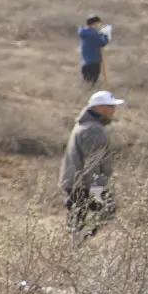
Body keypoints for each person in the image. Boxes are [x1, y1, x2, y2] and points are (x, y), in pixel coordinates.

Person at [60, 91, 123, 238]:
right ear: (99, 107)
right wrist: (97, 190)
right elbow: (93, 163)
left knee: (77, 221)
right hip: (83, 184)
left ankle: (76, 247)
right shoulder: (93, 129)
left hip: (75, 182)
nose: (113, 110)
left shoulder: (85, 124)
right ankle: (79, 246)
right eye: (109, 106)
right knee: (103, 212)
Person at [78, 15, 112, 84]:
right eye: (98, 23)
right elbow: (101, 43)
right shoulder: (92, 33)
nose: (98, 26)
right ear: (94, 23)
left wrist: (101, 34)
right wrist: (105, 35)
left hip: (86, 63)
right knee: (92, 84)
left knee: (87, 84)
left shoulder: (85, 33)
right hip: (93, 63)